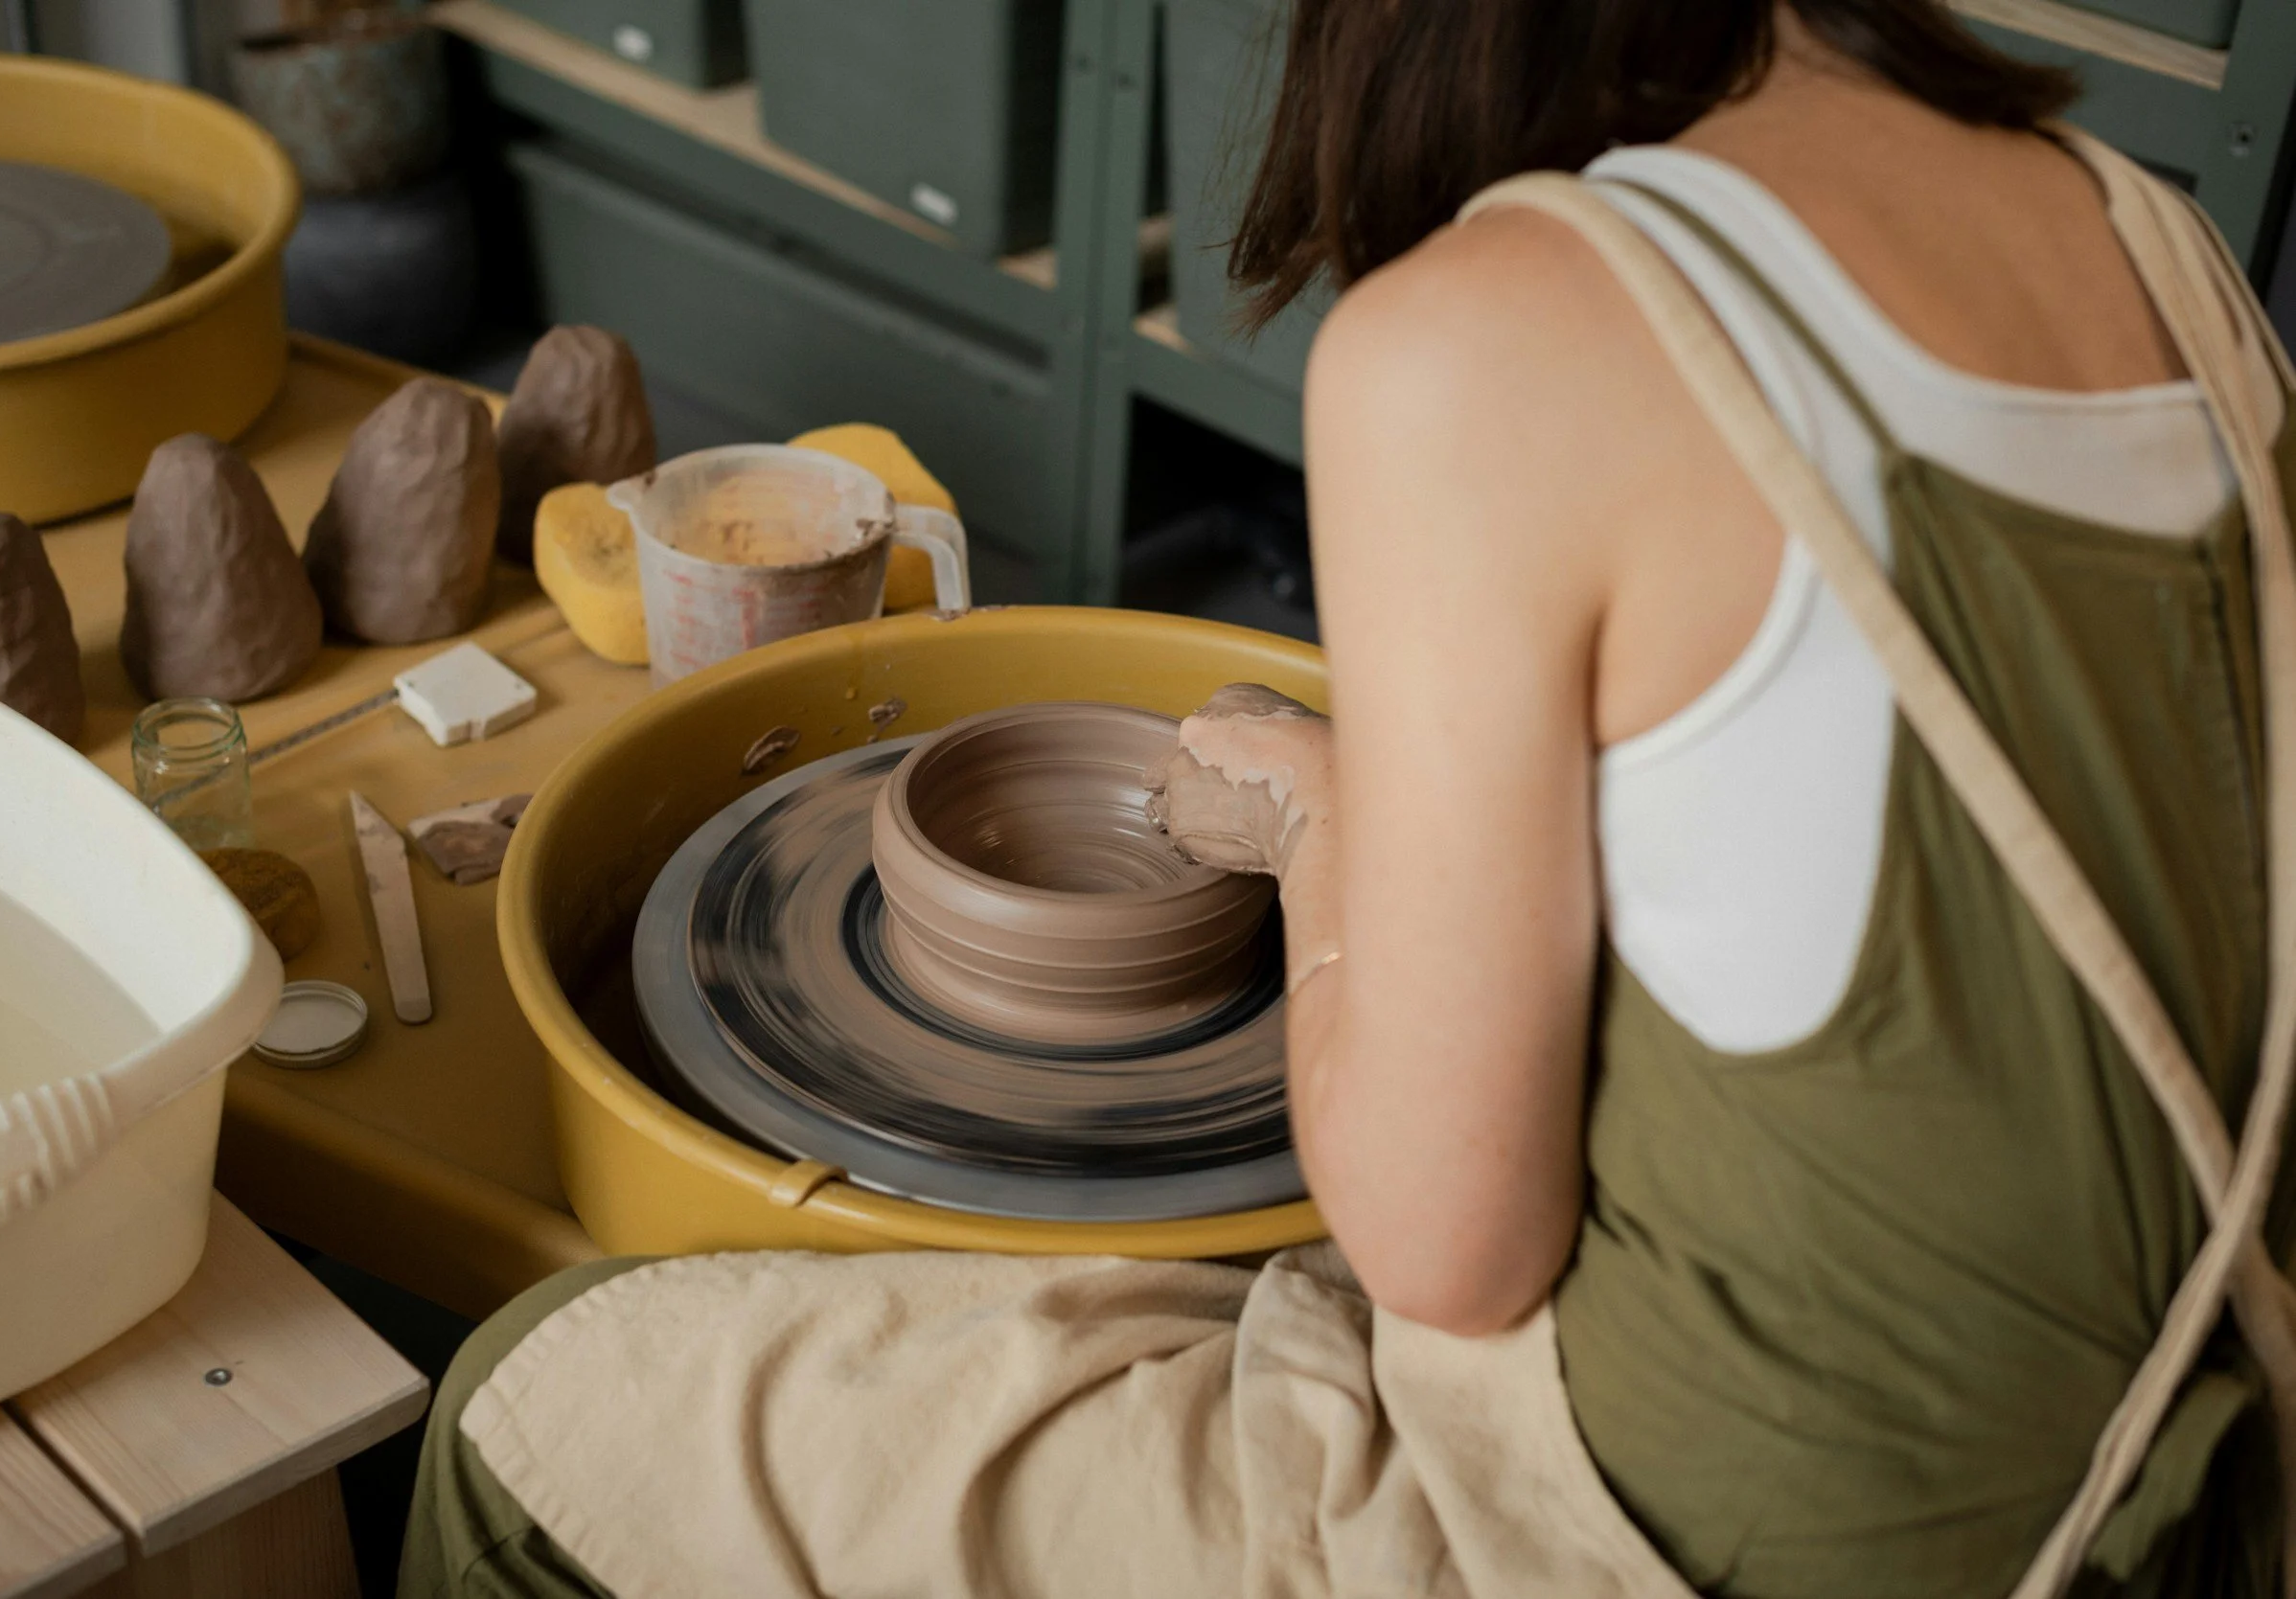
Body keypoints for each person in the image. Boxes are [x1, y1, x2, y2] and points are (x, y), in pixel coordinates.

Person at [400, 3, 2296, 1595]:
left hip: (1696, 1544)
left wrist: (1325, 839)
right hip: (2164, 1478)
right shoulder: (2149, 238)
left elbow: (1445, 1249)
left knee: (533, 1405)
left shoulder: (1503, 334)